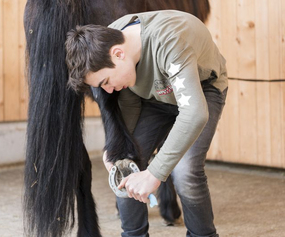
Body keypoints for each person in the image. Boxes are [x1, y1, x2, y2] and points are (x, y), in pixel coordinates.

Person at [65, 10, 227, 237]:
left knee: (185, 171)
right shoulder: (111, 40)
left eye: (106, 82)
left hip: (202, 89)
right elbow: (130, 103)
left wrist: (154, 174)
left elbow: (194, 113)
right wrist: (115, 151)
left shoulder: (169, 40)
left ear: (118, 54)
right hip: (155, 97)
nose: (109, 90)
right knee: (124, 163)